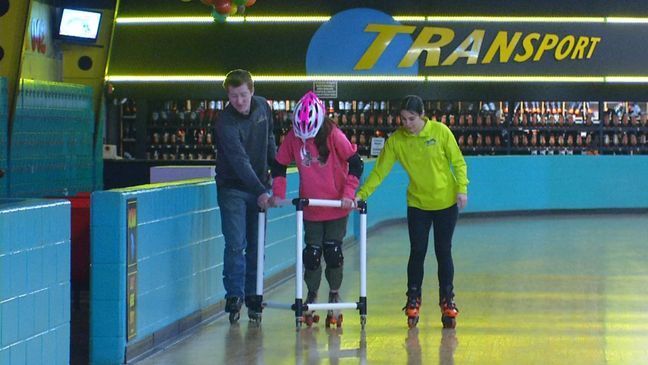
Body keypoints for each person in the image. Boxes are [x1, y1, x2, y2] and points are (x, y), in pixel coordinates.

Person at [355, 95, 469, 329]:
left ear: (422, 115)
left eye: (412, 119)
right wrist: (362, 194)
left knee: (443, 251)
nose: (407, 124)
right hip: (417, 204)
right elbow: (379, 171)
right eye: (403, 119)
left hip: (446, 203)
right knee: (417, 251)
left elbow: (458, 161)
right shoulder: (396, 141)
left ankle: (447, 300)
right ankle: (413, 298)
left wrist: (462, 188)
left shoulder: (440, 132)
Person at [269, 91, 364, 327]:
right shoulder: (293, 137)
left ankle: (334, 292)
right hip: (310, 208)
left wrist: (348, 194)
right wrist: (278, 193)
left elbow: (356, 163)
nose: (304, 139)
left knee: (332, 252)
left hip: (335, 207)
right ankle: (311, 295)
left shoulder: (333, 135)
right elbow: (279, 164)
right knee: (311, 255)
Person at [214, 69, 276, 323]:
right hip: (233, 188)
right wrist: (261, 191)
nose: (239, 101)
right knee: (236, 243)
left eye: (242, 95)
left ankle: (253, 294)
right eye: (233, 96)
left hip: (259, 185)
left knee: (256, 244)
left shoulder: (263, 108)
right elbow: (239, 161)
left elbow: (270, 139)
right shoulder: (224, 123)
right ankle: (234, 295)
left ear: (252, 91)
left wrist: (277, 171)